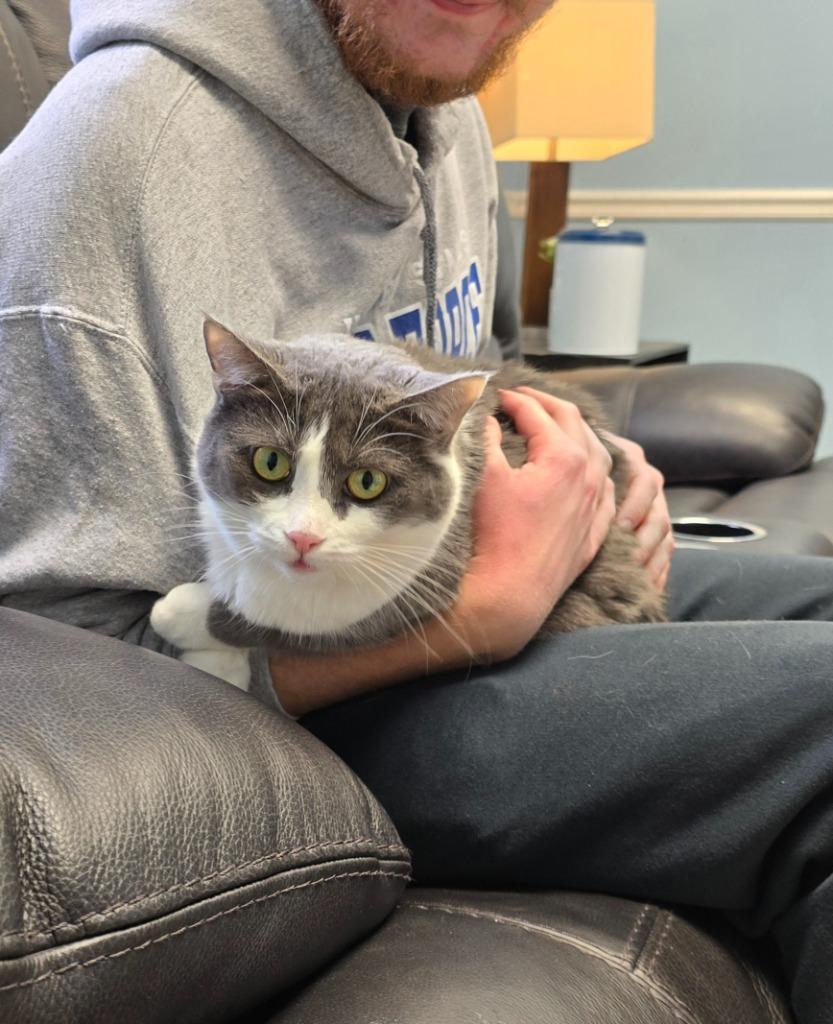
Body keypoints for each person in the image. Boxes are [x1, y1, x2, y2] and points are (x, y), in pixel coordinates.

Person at [0, 2, 831, 1021]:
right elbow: (62, 681)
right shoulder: (108, 163)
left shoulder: (444, 103)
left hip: (439, 588)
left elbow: (464, 399)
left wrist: (595, 476)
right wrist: (488, 610)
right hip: (292, 715)